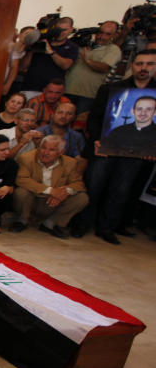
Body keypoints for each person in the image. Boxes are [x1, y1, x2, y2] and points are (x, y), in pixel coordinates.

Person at [75, 49, 156, 243]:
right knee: (93, 187)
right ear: (132, 66)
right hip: (105, 148)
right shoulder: (111, 88)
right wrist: (95, 139)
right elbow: (94, 119)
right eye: (139, 64)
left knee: (120, 191)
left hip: (136, 153)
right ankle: (82, 224)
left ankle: (106, 228)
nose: (144, 68)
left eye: (149, 64)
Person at [9, 135, 88, 237]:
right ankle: (22, 221)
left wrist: (64, 191)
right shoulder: (26, 158)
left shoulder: (70, 163)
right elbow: (21, 179)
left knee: (82, 198)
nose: (45, 153)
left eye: (51, 150)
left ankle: (50, 224)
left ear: (61, 152)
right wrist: (51, 191)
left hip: (53, 203)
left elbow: (79, 184)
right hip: (33, 199)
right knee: (20, 192)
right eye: (43, 148)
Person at [65, 21, 120, 114]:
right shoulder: (82, 45)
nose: (101, 36)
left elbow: (104, 68)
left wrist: (88, 61)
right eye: (100, 32)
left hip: (89, 95)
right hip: (67, 90)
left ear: (115, 35)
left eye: (107, 34)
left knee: (80, 125)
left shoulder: (113, 49)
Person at [19, 18, 78, 98]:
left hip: (52, 92)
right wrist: (31, 48)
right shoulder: (43, 40)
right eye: (58, 29)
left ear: (71, 30)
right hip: (30, 87)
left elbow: (66, 65)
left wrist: (51, 52)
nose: (61, 33)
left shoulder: (72, 46)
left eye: (64, 30)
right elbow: (22, 67)